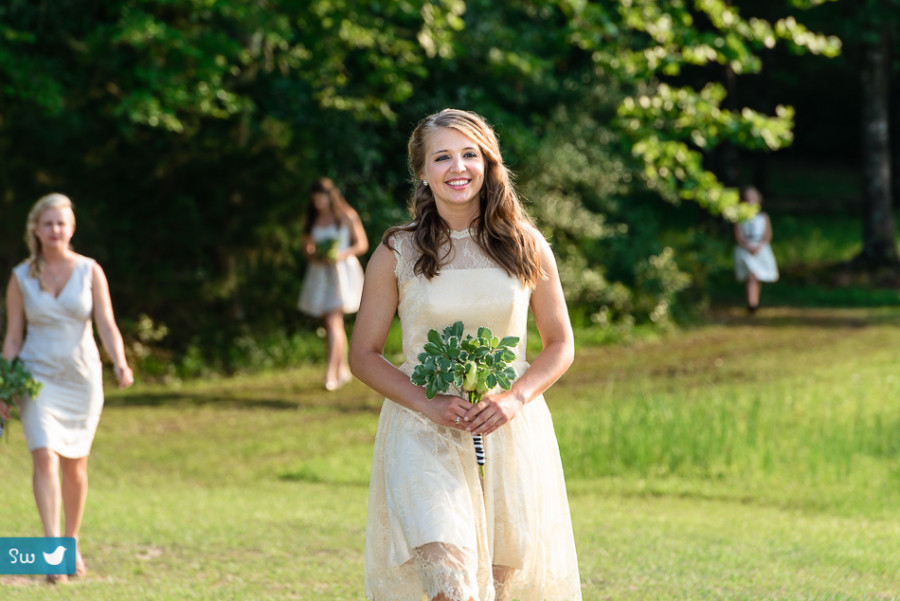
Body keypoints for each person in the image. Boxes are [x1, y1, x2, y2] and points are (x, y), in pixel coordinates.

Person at [349, 109, 581, 601]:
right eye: (443, 157)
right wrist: (427, 403)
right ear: (423, 171)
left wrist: (515, 399)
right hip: (422, 431)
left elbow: (560, 343)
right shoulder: (397, 252)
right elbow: (363, 355)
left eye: (470, 154)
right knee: (453, 589)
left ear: (488, 163)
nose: (458, 167)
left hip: (508, 433)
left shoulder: (526, 245)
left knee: (496, 590)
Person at [1, 193, 134, 584]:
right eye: (48, 224)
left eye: (61, 223)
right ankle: (51, 552)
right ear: (36, 230)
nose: (55, 230)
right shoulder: (21, 277)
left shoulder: (90, 270)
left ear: (71, 228)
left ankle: (70, 544)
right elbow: (12, 338)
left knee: (76, 465)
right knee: (44, 457)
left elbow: (107, 324)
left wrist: (121, 363)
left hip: (82, 377)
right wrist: (5, 386)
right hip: (37, 376)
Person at [298, 177, 369, 391]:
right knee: (330, 324)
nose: (318, 203)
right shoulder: (312, 219)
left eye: (321, 199)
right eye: (315, 200)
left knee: (332, 321)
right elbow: (306, 248)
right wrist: (316, 255)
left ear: (330, 196)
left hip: (342, 273)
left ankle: (330, 373)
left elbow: (362, 244)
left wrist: (341, 254)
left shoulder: (346, 215)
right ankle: (343, 369)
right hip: (321, 274)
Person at [734, 185, 779, 314]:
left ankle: (753, 302)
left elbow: (767, 234)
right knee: (752, 275)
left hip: (760, 249)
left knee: (755, 277)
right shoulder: (740, 217)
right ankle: (751, 303)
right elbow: (738, 235)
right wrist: (747, 246)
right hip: (746, 249)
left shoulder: (763, 217)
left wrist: (759, 245)